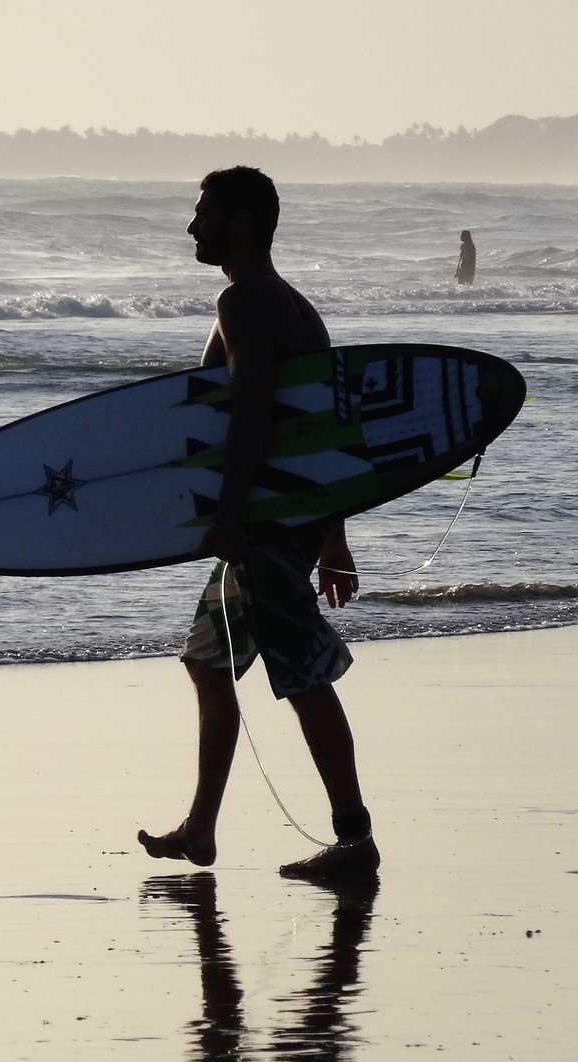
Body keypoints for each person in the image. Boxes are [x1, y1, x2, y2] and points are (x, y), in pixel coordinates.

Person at [137, 166, 379, 882]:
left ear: (240, 223)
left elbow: (249, 419)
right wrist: (334, 536)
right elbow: (324, 432)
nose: (192, 226)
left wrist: (234, 519)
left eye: (204, 212)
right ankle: (202, 830)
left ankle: (355, 840)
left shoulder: (245, 304)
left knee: (303, 678)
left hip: (267, 524)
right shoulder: (291, 306)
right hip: (284, 519)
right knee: (207, 662)